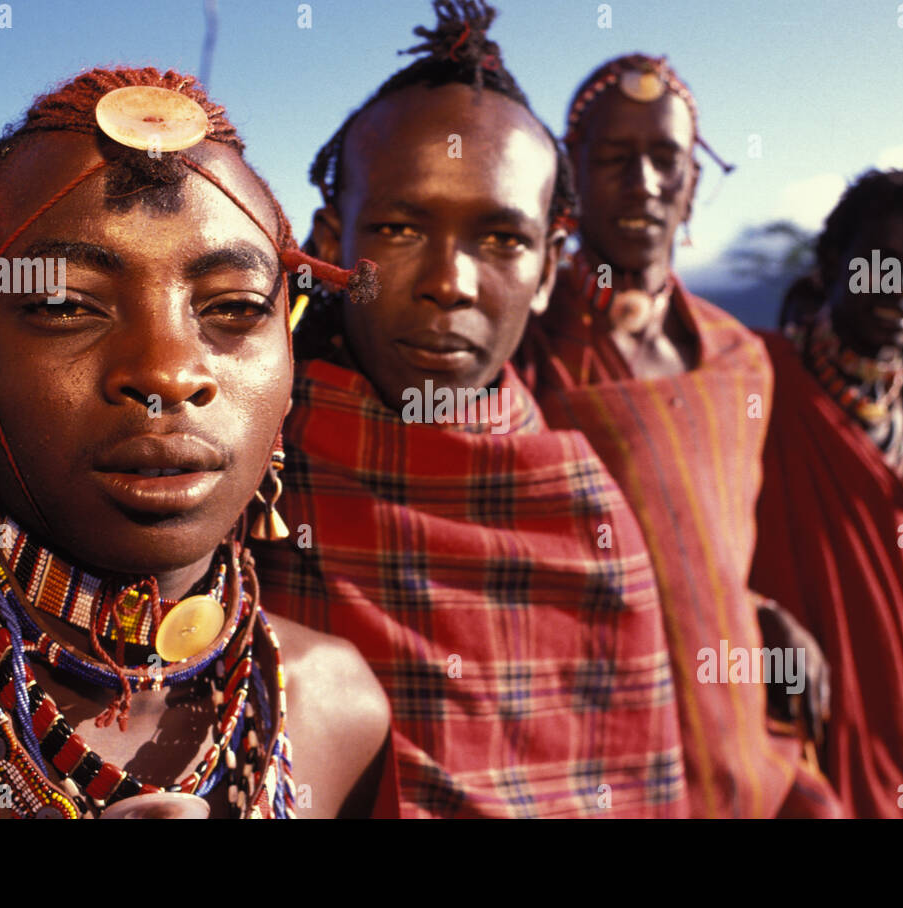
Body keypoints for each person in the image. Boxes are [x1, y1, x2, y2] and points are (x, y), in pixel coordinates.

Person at [0, 67, 393, 819]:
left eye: (235, 307)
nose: (166, 373)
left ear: (287, 362)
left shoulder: (343, 714)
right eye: (65, 305)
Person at [254, 1, 686, 818]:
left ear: (551, 270)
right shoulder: (242, 472)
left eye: (502, 239)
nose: (449, 281)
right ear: (329, 242)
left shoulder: (588, 519)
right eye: (397, 226)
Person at [516, 54, 839, 818]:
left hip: (739, 726)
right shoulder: (525, 352)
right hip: (594, 749)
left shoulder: (741, 359)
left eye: (667, 158)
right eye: (615, 159)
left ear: (693, 181)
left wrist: (759, 609)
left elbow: (705, 540)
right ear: (572, 180)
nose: (645, 182)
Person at [750, 167, 903, 818]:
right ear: (830, 262)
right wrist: (751, 610)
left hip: (888, 708)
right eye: (879, 261)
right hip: (778, 701)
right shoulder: (757, 379)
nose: (902, 286)